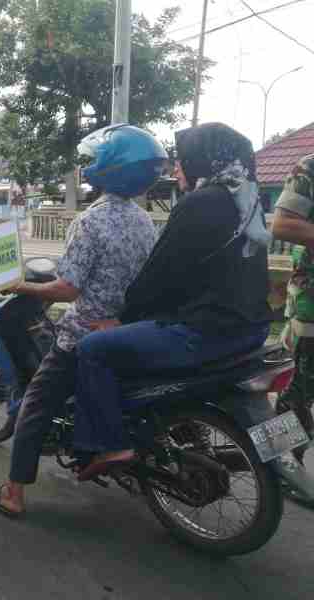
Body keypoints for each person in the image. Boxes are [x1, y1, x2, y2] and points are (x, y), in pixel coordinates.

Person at [71, 122, 272, 481]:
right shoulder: (247, 199)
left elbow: (158, 276)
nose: (176, 169)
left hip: (207, 332)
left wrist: (123, 318)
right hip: (252, 329)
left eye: (183, 160)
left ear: (203, 160)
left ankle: (109, 443)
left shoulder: (200, 203)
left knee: (92, 348)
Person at [0, 125, 165, 517]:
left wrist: (20, 286)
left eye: (92, 160)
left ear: (108, 168)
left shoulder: (91, 221)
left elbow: (66, 290)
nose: (86, 166)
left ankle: (13, 493)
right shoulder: (144, 220)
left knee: (34, 404)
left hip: (84, 333)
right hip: (125, 328)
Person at [270, 153, 314, 460]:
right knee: (295, 387)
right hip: (311, 304)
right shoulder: (310, 167)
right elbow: (282, 224)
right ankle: (278, 465)